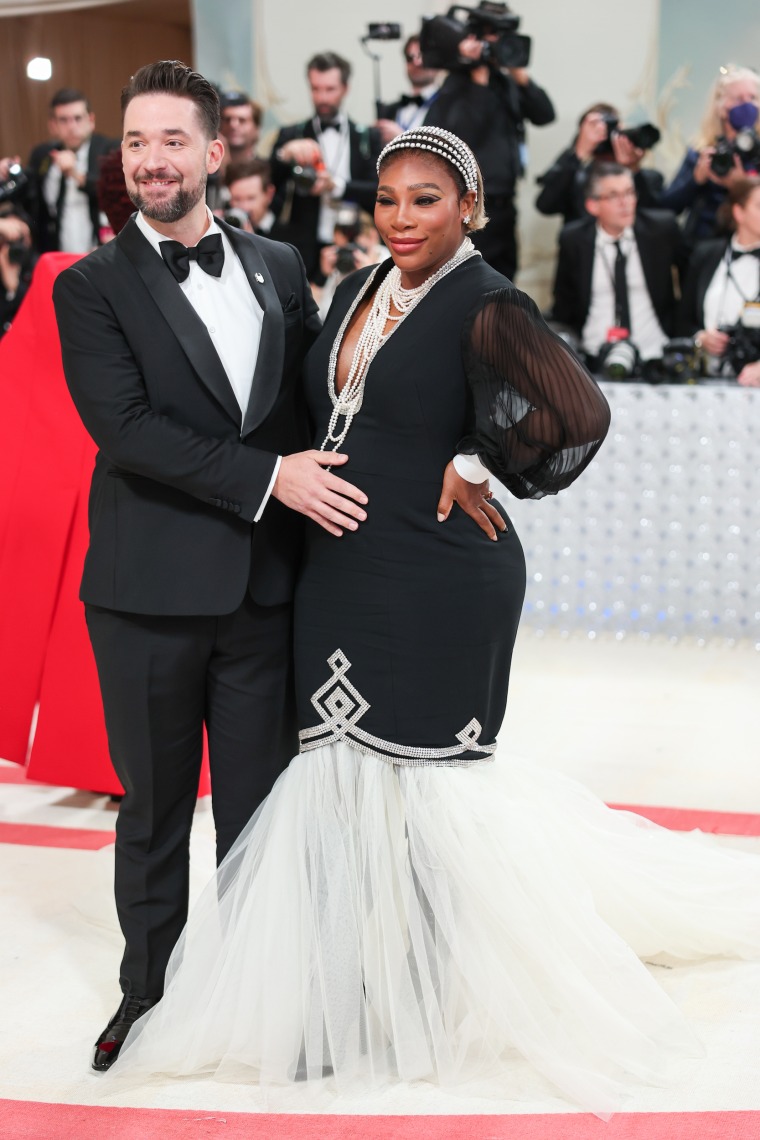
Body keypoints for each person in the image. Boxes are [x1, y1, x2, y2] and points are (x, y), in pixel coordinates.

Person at [109, 126, 760, 1115]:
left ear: (468, 206)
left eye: (425, 200)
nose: (402, 217)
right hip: (341, 573)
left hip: (441, 577)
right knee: (338, 789)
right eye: (388, 199)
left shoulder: (486, 299)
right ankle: (344, 1002)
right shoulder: (365, 287)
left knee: (426, 802)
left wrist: (476, 462)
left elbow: (577, 414)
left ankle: (426, 1000)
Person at [52, 59, 373, 1072]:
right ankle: (146, 991)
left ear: (214, 151)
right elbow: (129, 431)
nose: (150, 159)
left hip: (261, 594)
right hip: (145, 596)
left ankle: (267, 994)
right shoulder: (92, 287)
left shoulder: (280, 264)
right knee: (151, 812)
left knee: (259, 817)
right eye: (135, 142)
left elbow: (323, 401)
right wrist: (269, 480)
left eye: (171, 140)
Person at [424, 0, 555, 279]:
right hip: (473, 209)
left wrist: (520, 75)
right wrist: (478, 81)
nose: (499, 42)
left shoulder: (505, 81)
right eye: (494, 34)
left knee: (505, 284)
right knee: (472, 285)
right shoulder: (456, 83)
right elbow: (463, 136)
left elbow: (545, 114)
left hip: (507, 205)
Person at [552, 162, 682, 368]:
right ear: (592, 205)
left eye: (630, 193)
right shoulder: (574, 240)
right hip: (593, 356)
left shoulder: (661, 231)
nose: (626, 202)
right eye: (614, 196)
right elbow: (564, 304)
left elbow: (689, 283)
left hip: (655, 354)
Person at [270, 51, 382, 281]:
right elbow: (270, 182)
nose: (322, 97)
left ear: (345, 89)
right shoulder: (292, 134)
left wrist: (337, 186)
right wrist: (284, 153)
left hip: (356, 243)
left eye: (330, 89)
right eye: (315, 89)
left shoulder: (367, 138)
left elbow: (377, 189)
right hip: (305, 247)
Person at [0, 87, 118, 253]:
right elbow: (30, 200)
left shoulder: (109, 150)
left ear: (91, 121)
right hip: (56, 254)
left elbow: (116, 193)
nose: (72, 126)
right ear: (53, 125)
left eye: (78, 118)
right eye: (64, 120)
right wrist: (6, 173)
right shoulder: (43, 155)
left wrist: (75, 175)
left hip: (101, 250)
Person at [659, 64, 760, 246]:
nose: (747, 105)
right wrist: (696, 180)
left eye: (752, 98)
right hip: (702, 249)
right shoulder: (701, 151)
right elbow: (667, 207)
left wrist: (741, 185)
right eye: (738, 99)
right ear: (720, 107)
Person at [678, 174, 760, 386]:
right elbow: (682, 320)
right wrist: (700, 338)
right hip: (706, 380)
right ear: (738, 212)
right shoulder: (707, 255)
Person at [535, 102, 664, 226]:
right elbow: (546, 206)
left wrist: (631, 169)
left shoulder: (650, 178)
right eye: (594, 128)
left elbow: (653, 219)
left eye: (610, 129)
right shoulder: (574, 175)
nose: (604, 136)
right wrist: (579, 153)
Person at [375, 34, 443, 145]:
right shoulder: (389, 110)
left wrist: (402, 138)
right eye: (410, 58)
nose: (416, 62)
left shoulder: (450, 107)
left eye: (423, 56)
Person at [225, 158, 288, 239]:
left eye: (251, 198)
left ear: (269, 194)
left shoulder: (290, 237)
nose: (244, 207)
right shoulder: (223, 229)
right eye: (237, 199)